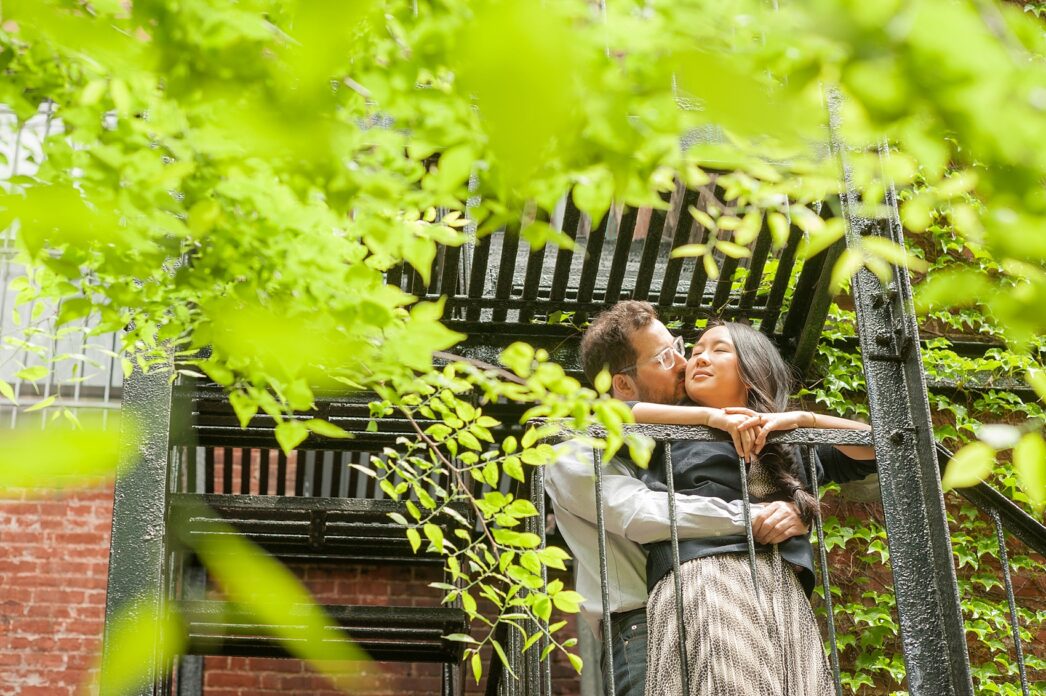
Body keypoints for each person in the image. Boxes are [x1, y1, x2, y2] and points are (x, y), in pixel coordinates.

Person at [545, 301, 811, 696]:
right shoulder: (576, 450)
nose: (685, 361)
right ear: (623, 385)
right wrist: (756, 518)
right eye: (665, 356)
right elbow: (642, 513)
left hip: (725, 606)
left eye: (679, 346)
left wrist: (795, 509)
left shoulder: (673, 439)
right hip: (640, 628)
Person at [630, 321, 876, 696]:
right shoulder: (669, 433)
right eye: (695, 353)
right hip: (707, 575)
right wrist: (709, 418)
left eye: (718, 350)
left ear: (751, 367)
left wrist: (802, 420)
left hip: (782, 588)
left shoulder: (791, 442)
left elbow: (875, 447)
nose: (700, 358)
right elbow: (605, 416)